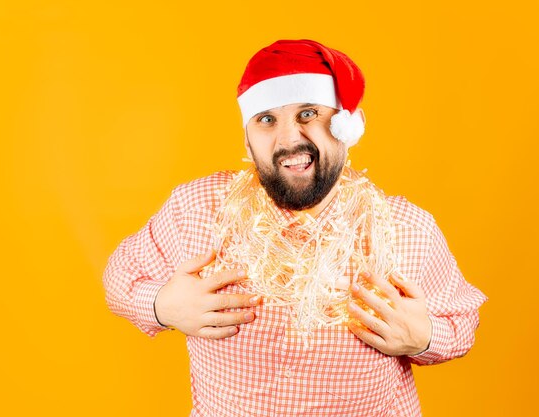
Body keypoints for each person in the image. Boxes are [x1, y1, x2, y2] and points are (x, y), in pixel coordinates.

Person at [103, 39, 487, 416]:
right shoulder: (197, 208)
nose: (288, 139)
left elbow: (461, 322)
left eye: (308, 114)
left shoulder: (405, 228)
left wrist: (424, 339)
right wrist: (163, 306)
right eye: (266, 119)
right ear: (248, 139)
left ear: (346, 127)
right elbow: (120, 277)